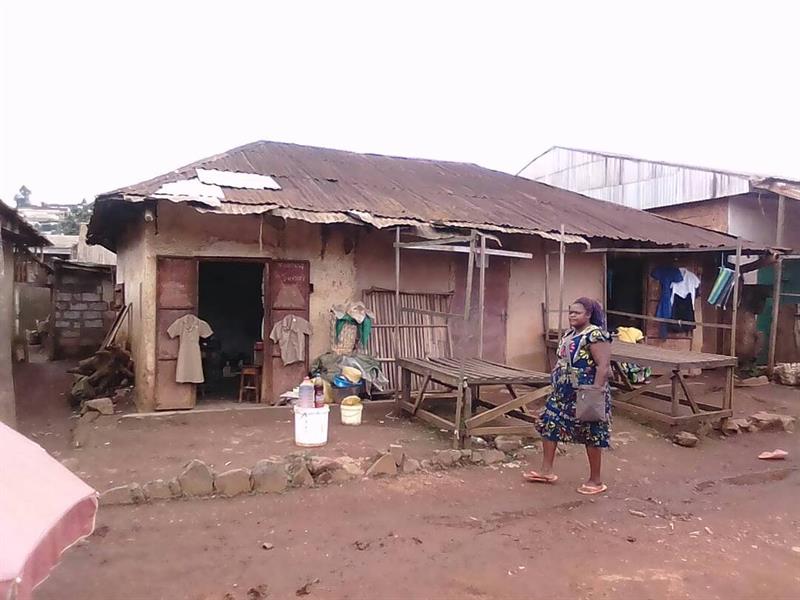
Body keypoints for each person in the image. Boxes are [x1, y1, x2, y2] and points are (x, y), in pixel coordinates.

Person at [523, 297, 612, 495]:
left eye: (577, 312)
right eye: (570, 312)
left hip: (586, 392)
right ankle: (546, 472)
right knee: (550, 423)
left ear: (588, 315)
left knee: (592, 432)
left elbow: (603, 366)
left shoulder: (596, 335)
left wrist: (595, 393)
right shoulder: (570, 334)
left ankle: (595, 481)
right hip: (563, 392)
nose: (572, 315)